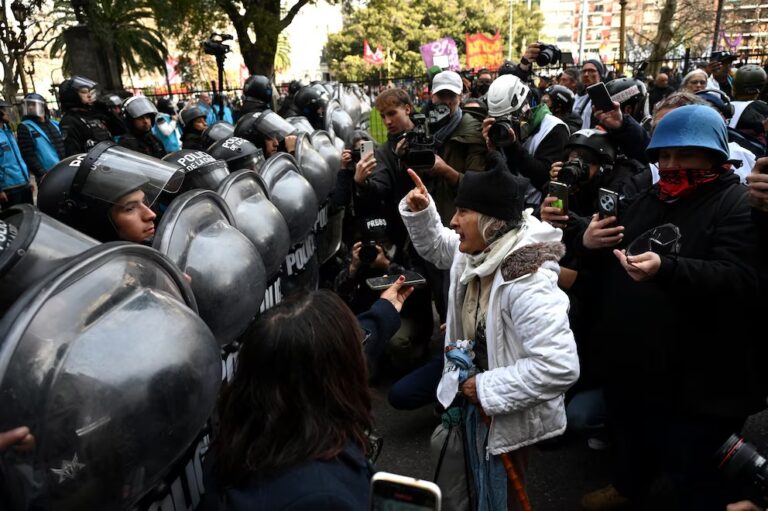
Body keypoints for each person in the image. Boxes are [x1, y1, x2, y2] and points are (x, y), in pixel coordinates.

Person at [576, 105, 764, 511]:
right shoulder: (647, 198)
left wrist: (668, 268)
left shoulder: (736, 204)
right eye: (664, 155)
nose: (672, 165)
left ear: (714, 156)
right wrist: (588, 242)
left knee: (693, 465)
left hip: (701, 377)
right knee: (631, 435)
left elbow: (739, 278)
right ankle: (628, 486)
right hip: (635, 364)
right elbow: (606, 262)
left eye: (686, 154)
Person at [400, 151, 579, 509]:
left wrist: (483, 387)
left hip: (505, 413)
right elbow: (438, 247)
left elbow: (559, 366)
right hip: (474, 401)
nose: (453, 221)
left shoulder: (528, 280)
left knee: (502, 497)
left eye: (463, 211)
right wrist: (422, 212)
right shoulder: (477, 249)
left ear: (493, 221)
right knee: (475, 489)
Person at [208, 287, 411, 510]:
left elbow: (321, 352)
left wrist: (385, 310)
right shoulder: (322, 499)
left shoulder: (240, 439)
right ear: (334, 379)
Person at [484, 74, 569, 209]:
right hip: (507, 205)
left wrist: (512, 146)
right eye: (498, 118)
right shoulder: (499, 132)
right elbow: (493, 177)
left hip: (538, 209)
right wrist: (492, 149)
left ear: (526, 105)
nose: (506, 122)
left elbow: (544, 178)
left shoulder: (554, 128)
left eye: (511, 116)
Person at [58, 75, 112, 156]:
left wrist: (106, 110)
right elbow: (73, 154)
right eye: (84, 92)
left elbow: (121, 130)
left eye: (89, 92)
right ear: (72, 95)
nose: (89, 95)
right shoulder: (69, 121)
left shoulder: (93, 114)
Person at [16, 93, 65, 180]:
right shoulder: (25, 127)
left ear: (42, 105)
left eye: (33, 104)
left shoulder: (55, 124)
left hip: (66, 168)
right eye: (28, 105)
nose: (30, 107)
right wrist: (41, 173)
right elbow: (28, 154)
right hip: (48, 175)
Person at [0, 99, 32, 209]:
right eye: (4, 110)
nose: (8, 113)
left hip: (23, 183)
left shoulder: (8, 132)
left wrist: (27, 180)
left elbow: (18, 158)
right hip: (9, 189)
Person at [573, 59, 606, 129]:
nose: (586, 74)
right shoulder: (576, 96)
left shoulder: (604, 97)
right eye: (584, 71)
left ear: (600, 75)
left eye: (591, 71)